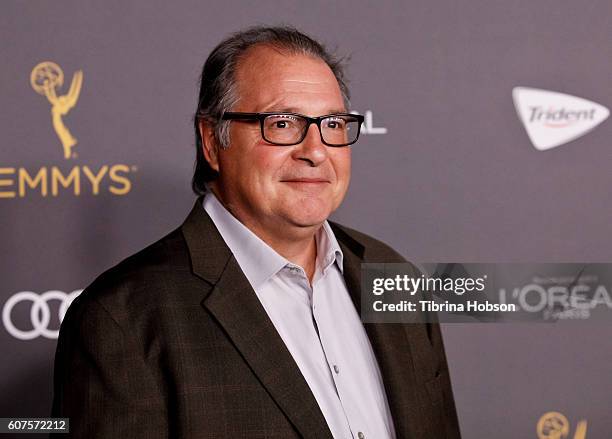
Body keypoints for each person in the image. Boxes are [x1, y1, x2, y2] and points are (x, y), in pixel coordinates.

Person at [52, 26, 461, 438]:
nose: (316, 152)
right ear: (212, 141)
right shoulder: (123, 319)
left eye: (333, 123)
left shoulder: (393, 276)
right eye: (282, 123)